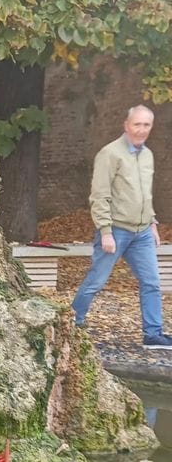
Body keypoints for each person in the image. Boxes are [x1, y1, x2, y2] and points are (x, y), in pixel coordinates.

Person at [72, 105, 172, 349]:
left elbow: (145, 196)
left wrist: (153, 223)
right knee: (96, 281)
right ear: (126, 125)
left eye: (146, 125)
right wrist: (105, 231)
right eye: (137, 124)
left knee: (151, 283)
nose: (141, 130)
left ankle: (153, 334)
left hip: (142, 233)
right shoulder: (110, 154)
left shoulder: (147, 155)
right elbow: (99, 196)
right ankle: (73, 322)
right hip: (116, 230)